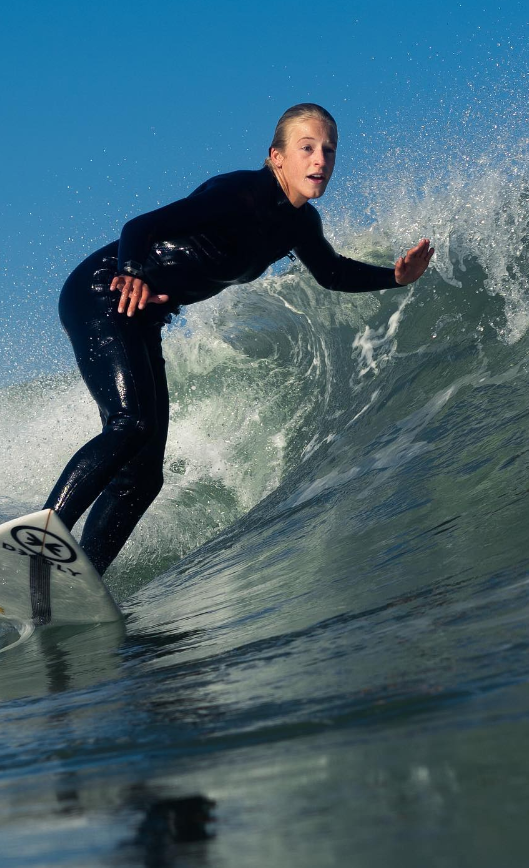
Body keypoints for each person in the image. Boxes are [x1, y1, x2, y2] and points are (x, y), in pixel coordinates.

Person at [42, 103, 434, 575]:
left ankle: (79, 577)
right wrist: (131, 272)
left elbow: (330, 273)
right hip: (103, 294)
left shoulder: (299, 224)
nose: (320, 160)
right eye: (307, 148)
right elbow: (139, 228)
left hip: (141, 318)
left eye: (328, 150)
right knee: (130, 426)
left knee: (144, 476)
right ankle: (41, 540)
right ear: (276, 157)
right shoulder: (238, 193)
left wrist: (396, 278)